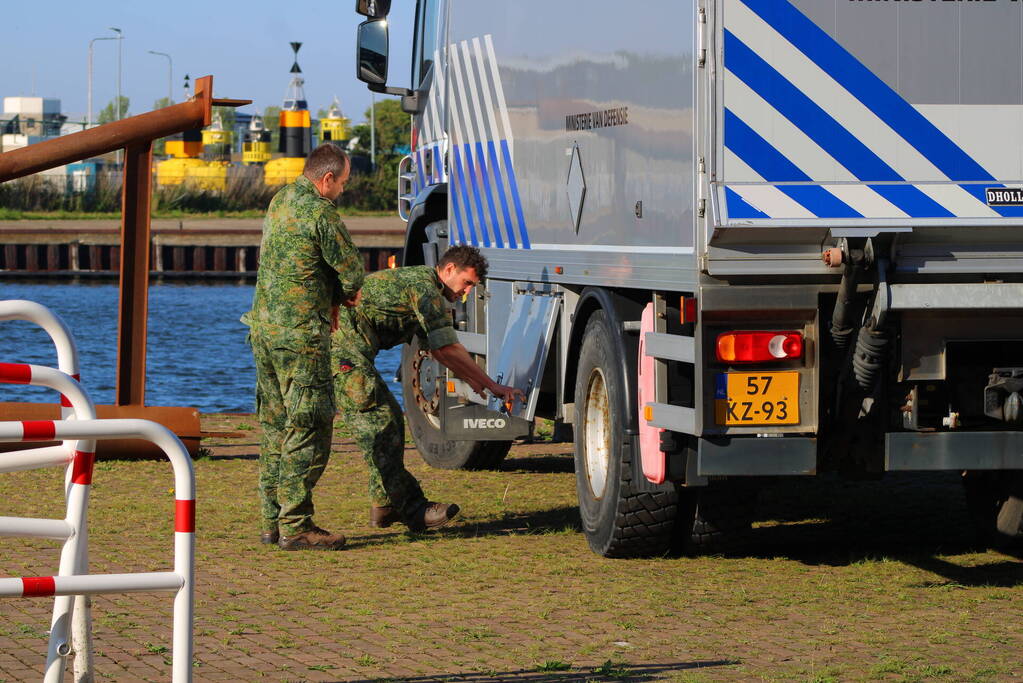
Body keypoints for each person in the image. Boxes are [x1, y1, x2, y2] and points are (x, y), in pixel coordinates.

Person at [332, 245, 525, 531]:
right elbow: (447, 349)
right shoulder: (425, 290)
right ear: (448, 270)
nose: (467, 293)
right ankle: (412, 508)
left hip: (346, 352)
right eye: (467, 283)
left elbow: (438, 350)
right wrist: (492, 385)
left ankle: (385, 505)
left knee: (387, 426)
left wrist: (475, 380)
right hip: (338, 352)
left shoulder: (424, 287)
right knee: (382, 424)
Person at [242, 144, 364, 551]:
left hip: (263, 331)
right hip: (300, 336)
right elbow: (351, 272)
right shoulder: (321, 213)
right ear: (326, 179)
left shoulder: (280, 200)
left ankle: (270, 520)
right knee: (310, 425)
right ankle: (295, 524)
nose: (342, 191)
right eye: (342, 183)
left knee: (275, 425)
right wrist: (341, 298)